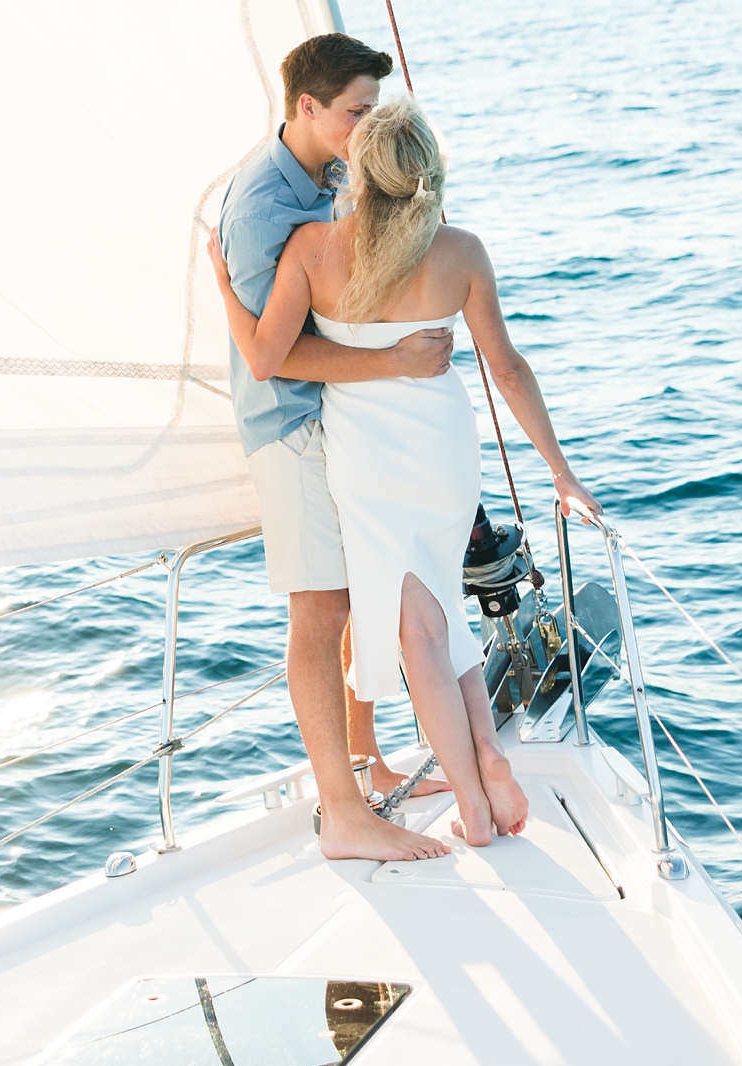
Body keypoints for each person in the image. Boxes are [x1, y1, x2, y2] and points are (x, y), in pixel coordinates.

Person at [211, 94, 599, 848]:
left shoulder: (314, 250)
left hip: (367, 460)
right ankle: (484, 751)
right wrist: (562, 473)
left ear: (359, 169)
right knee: (440, 615)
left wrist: (226, 287)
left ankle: (475, 808)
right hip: (445, 453)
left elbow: (266, 355)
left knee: (415, 628)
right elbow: (509, 371)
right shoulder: (461, 251)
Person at [218, 34, 455, 865]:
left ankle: (366, 758)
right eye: (356, 112)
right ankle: (344, 813)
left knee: (359, 591)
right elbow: (269, 355)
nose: (367, 130)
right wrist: (391, 361)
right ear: (307, 108)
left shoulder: (321, 171)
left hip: (335, 417)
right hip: (290, 427)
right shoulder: (261, 210)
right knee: (320, 611)